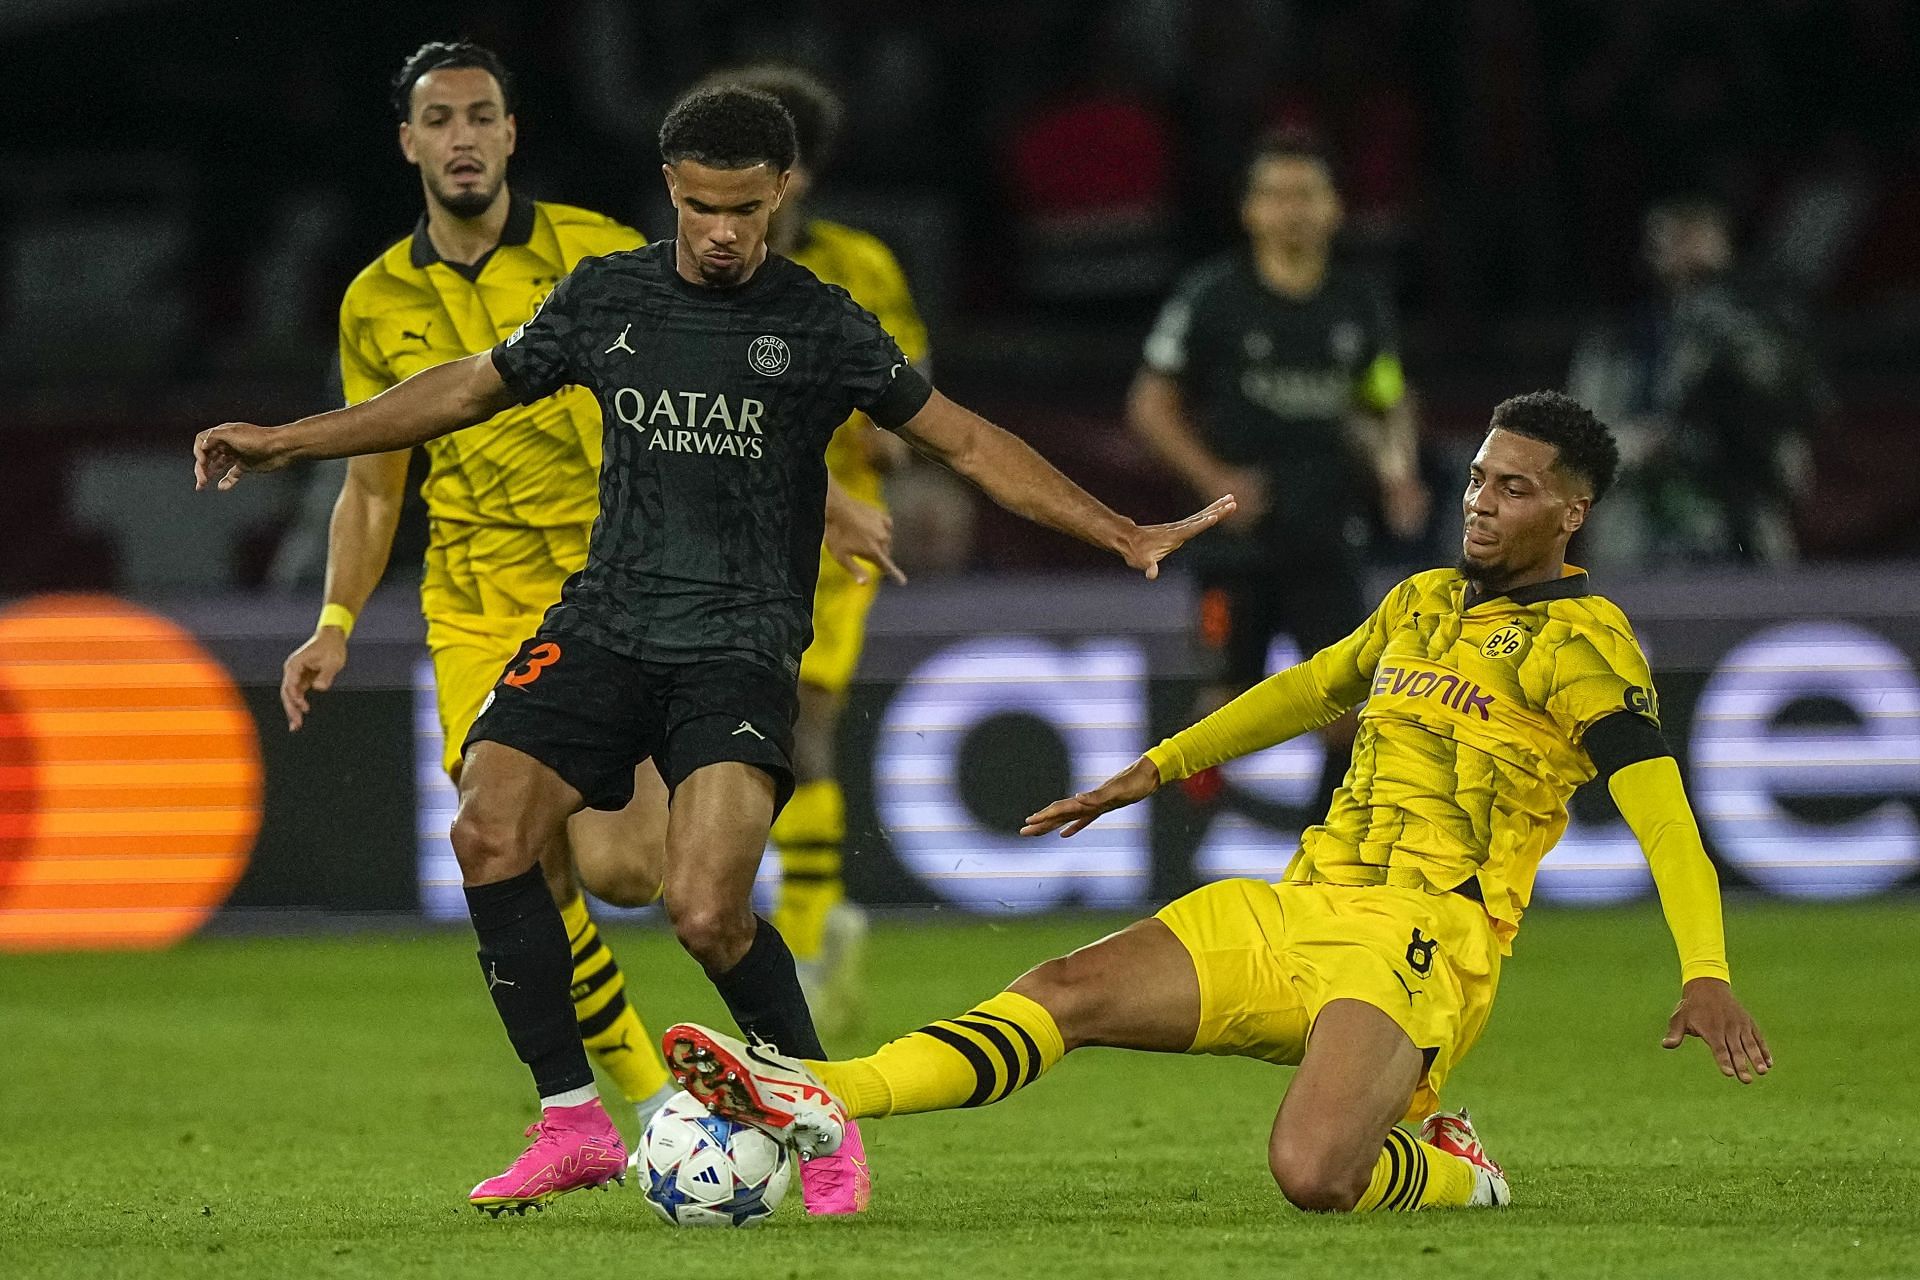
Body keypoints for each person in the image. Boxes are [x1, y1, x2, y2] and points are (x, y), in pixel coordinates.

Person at [194, 85, 1230, 1218]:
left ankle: (816, 1108)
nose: (722, 231)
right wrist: (286, 440)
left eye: (743, 208)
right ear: (671, 192)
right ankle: (572, 1120)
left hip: (736, 644)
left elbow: (968, 439)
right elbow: (462, 391)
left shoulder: (825, 323)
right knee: (488, 826)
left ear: (783, 191)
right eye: (698, 207)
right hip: (604, 620)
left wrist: (1119, 528)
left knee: (703, 910)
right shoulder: (606, 296)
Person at [661, 391, 1772, 1215]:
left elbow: (1664, 814)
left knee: (1312, 1175)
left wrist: (1707, 968)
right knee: (1063, 986)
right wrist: (1148, 769)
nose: (1480, 501)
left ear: (1573, 512)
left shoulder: (1587, 642)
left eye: (1513, 487)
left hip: (1423, 940)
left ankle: (1452, 1167)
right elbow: (1307, 688)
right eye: (1478, 476)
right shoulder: (1423, 599)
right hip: (1299, 904)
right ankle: (813, 1087)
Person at [277, 44, 897, 1183]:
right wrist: (333, 616)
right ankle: (603, 1107)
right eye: (439, 120)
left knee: (629, 874)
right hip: (471, 600)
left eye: (481, 116)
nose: (462, 137)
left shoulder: (599, 253)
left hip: (622, 580)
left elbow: (723, 387)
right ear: (408, 143)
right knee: (504, 837)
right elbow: (377, 483)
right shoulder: (374, 298)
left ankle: (750, 1084)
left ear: (512, 134)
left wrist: (831, 498)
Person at [699, 64, 930, 1036]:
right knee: (732, 728)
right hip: (716, 522)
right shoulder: (694, 259)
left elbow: (909, 397)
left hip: (833, 530)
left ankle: (805, 928)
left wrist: (885, 429)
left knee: (805, 721)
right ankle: (780, 915)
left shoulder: (859, 267)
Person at [1129, 130, 1426, 817]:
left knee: (1346, 712)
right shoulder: (1214, 298)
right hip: (1236, 539)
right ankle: (1185, 864)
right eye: (1275, 195)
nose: (1291, 210)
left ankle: (1325, 862)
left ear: (1334, 210)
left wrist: (1397, 471)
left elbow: (1383, 397)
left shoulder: (1359, 304)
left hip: (1328, 532)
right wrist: (1212, 477)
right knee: (1221, 709)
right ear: (1249, 212)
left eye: (1306, 195)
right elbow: (1149, 404)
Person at [1568, 197, 1826, 570]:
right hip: (1638, 533)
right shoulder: (1617, 342)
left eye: (1694, 232)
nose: (1680, 246)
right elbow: (1576, 446)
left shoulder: (1764, 331)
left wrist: (1725, 317)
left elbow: (1801, 404)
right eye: (1669, 236)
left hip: (1740, 526)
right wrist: (1636, 444)